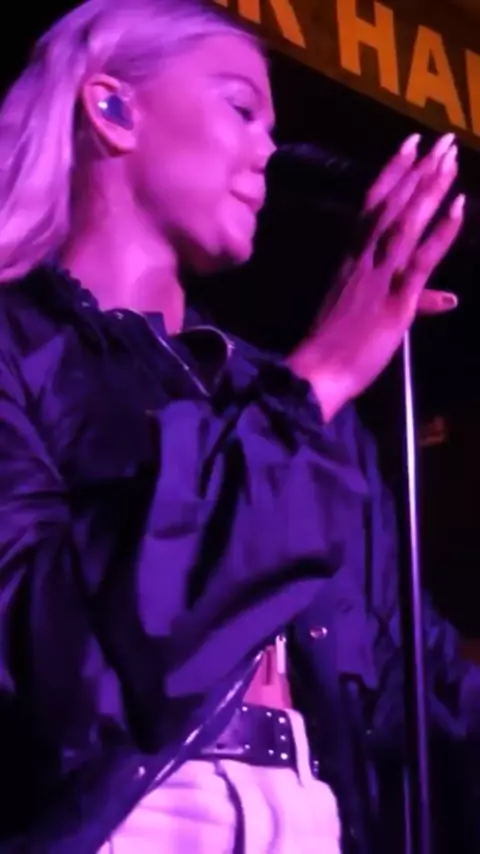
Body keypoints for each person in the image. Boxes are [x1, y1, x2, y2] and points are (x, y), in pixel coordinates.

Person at [0, 1, 466, 852]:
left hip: (313, 819)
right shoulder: (16, 347)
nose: (266, 151)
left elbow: (415, 683)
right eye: (241, 108)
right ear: (112, 108)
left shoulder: (286, 400)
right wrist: (322, 376)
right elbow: (48, 658)